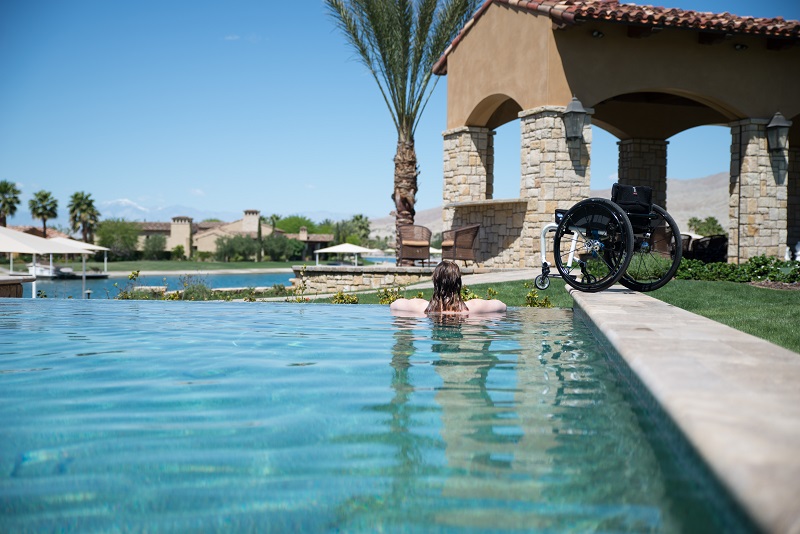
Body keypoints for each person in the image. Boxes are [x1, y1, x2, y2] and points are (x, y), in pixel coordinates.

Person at [390, 261, 507, 315]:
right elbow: (502, 306)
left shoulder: (420, 307)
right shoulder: (473, 307)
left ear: (435, 282)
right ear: (458, 283)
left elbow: (394, 305)